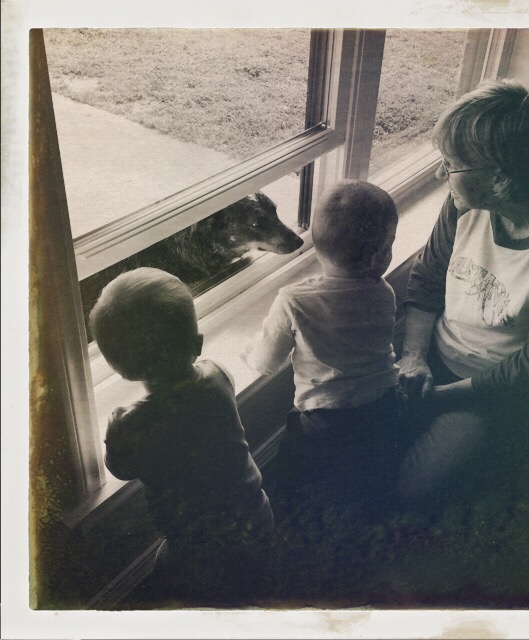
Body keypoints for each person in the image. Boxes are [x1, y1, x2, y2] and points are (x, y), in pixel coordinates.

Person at [396, 79, 529, 515]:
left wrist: (438, 397)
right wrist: (413, 357)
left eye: (451, 165)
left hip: (500, 386)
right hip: (437, 352)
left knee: (413, 492)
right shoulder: (464, 200)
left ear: (500, 178)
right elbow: (428, 279)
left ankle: (505, 441)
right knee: (363, 435)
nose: (440, 175)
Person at [90, 267, 273, 604]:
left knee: (171, 574)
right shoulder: (217, 374)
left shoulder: (134, 423)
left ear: (121, 369)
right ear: (197, 343)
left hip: (197, 542)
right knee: (252, 575)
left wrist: (116, 430)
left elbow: (121, 469)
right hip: (254, 511)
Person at [243, 180, 403, 525]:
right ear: (380, 255)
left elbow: (266, 362)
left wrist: (248, 352)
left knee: (295, 471)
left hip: (325, 418)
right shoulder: (383, 292)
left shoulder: (294, 300)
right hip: (385, 402)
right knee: (369, 469)